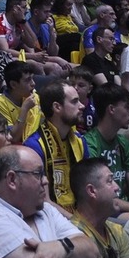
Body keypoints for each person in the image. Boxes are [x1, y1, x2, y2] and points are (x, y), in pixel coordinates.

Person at [0, 145, 113, 258]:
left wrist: (63, 247)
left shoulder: (46, 209)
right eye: (38, 174)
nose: (46, 181)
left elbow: (91, 252)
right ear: (12, 180)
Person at [70, 158, 129, 258]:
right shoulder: (74, 235)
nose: (117, 187)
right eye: (110, 181)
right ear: (92, 191)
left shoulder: (117, 230)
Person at [82, 84, 129, 217]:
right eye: (127, 107)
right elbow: (105, 199)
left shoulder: (124, 143)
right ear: (111, 109)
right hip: (104, 211)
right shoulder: (89, 143)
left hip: (126, 206)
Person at [24, 81, 88, 213]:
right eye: (75, 101)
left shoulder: (80, 141)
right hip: (50, 217)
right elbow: (43, 201)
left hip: (79, 213)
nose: (81, 106)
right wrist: (80, 224)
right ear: (57, 107)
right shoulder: (34, 146)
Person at [0, 61, 41, 144]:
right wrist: (25, 109)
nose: (33, 83)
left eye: (32, 78)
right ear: (13, 85)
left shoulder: (35, 97)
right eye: (28, 80)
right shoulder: (0, 103)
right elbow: (13, 138)